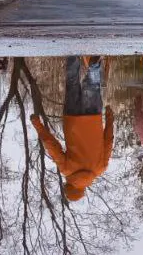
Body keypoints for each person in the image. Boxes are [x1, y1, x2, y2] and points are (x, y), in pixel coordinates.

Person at [31, 56, 114, 201]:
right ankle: (73, 55)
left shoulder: (100, 168)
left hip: (93, 119)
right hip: (72, 119)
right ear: (68, 186)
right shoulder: (67, 169)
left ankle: (94, 68)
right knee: (72, 84)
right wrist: (37, 124)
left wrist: (109, 118)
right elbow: (51, 145)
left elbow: (108, 141)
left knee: (92, 87)